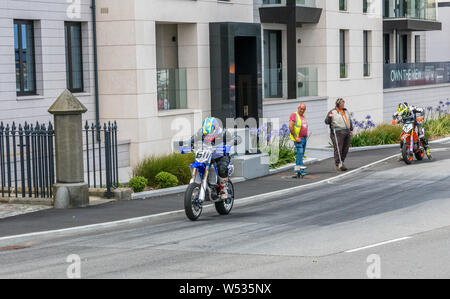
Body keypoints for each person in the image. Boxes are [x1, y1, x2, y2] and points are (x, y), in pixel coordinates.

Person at [190, 117, 233, 200]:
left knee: (221, 168)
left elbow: (235, 138)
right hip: (206, 155)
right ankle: (196, 185)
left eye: (210, 131)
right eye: (206, 132)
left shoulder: (223, 132)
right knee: (197, 164)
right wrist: (187, 144)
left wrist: (229, 144)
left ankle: (224, 189)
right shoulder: (201, 132)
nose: (207, 134)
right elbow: (192, 139)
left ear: (215, 127)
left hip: (220, 156)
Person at [325, 98, 354, 172]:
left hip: (346, 131)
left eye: (343, 103)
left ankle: (342, 162)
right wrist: (329, 117)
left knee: (345, 149)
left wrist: (351, 129)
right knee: (338, 149)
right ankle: (338, 164)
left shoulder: (345, 111)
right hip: (337, 132)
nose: (343, 105)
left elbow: (349, 120)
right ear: (338, 104)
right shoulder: (332, 112)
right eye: (342, 104)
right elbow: (326, 121)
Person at [289, 104, 309, 176]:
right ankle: (300, 170)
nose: (302, 110)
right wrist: (295, 137)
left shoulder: (303, 116)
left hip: (304, 139)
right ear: (298, 108)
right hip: (298, 139)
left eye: (304, 109)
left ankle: (298, 170)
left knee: (301, 154)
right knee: (300, 153)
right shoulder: (294, 115)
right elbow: (291, 126)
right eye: (301, 108)